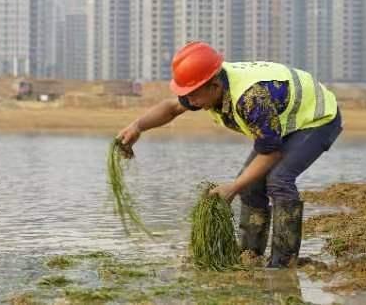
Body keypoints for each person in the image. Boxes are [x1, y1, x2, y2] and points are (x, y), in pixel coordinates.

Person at [117, 41, 343, 268]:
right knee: (251, 184)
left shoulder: (251, 99)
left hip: (317, 119)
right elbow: (172, 108)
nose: (190, 101)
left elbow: (271, 154)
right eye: (187, 95)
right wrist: (137, 126)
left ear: (214, 86)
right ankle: (249, 254)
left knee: (279, 180)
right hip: (279, 121)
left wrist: (233, 187)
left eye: (194, 95)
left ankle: (283, 262)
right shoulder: (204, 88)